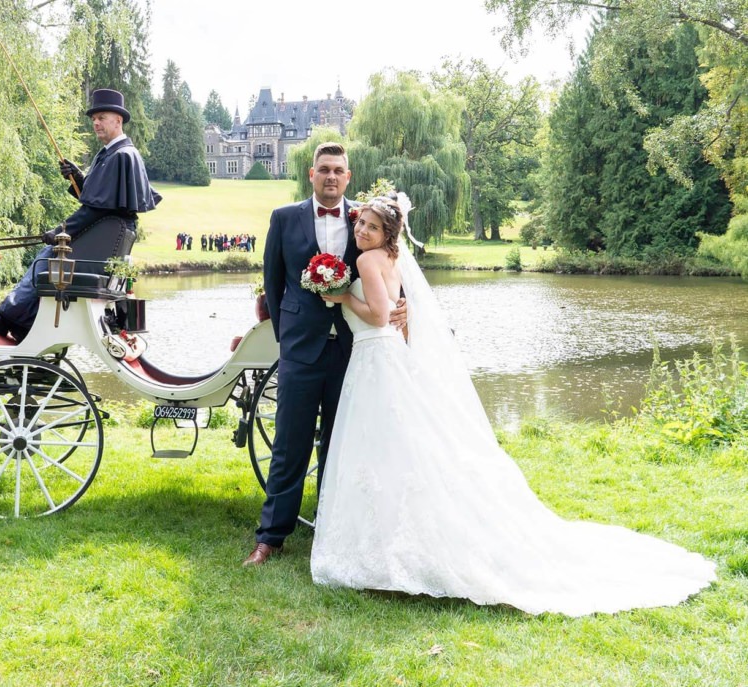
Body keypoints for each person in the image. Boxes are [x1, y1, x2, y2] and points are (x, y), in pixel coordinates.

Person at [310, 193, 716, 616]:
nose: (361, 232)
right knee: (397, 451)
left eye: (371, 227)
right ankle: (389, 539)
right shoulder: (390, 259)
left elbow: (377, 315)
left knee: (381, 450)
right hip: (385, 359)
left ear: (387, 233)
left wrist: (340, 298)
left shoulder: (365, 262)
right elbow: (394, 308)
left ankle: (383, 547)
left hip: (377, 359)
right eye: (360, 225)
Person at [244, 142, 406, 566]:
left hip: (353, 351)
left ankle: (333, 529)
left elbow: (391, 265)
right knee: (289, 445)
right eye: (324, 170)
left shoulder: (365, 219)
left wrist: (403, 303)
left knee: (341, 443)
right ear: (311, 174)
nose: (331, 176)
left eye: (338, 170)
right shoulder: (284, 218)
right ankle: (271, 536)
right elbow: (274, 284)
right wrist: (288, 336)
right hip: (300, 349)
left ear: (347, 177)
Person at [0, 88, 161, 341]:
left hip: (97, 246)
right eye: (93, 118)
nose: (96, 123)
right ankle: (26, 322)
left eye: (101, 117)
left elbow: (96, 209)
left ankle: (6, 318)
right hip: (103, 244)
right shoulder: (116, 154)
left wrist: (61, 231)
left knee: (44, 261)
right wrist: (80, 178)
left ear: (118, 120)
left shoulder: (120, 155)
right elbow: (105, 200)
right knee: (46, 259)